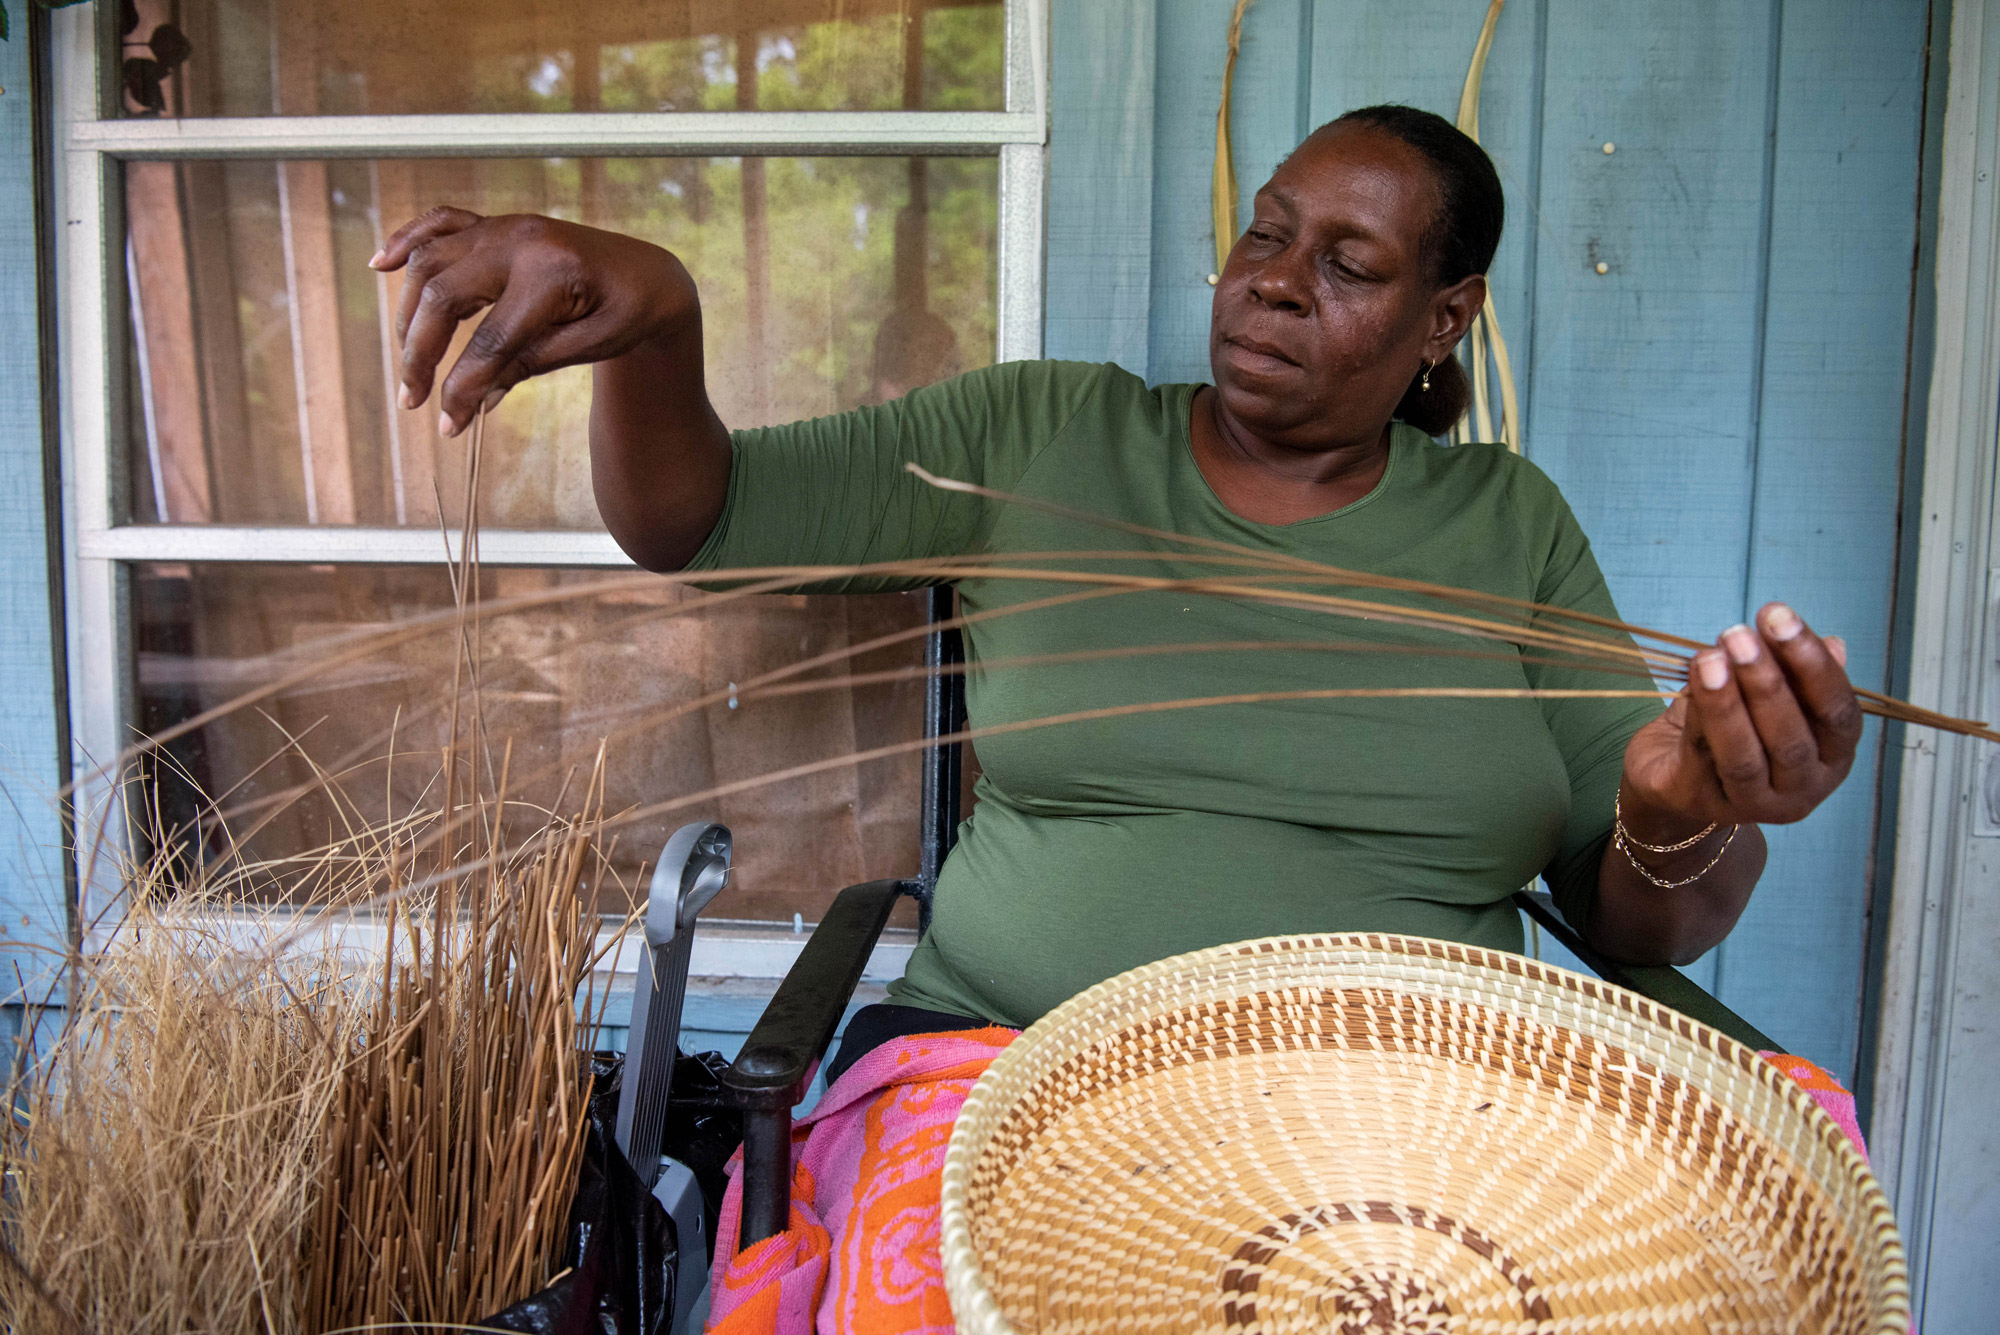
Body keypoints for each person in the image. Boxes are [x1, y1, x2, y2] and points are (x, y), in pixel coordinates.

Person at [375, 104, 1861, 1328]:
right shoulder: (1046, 439)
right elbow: (705, 518)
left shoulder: (1505, 523)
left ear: (1442, 318)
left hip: (1407, 1133)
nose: (1274, 279)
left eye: (1347, 262)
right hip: (1011, 1073)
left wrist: (1685, 812)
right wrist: (657, 330)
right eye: (1265, 232)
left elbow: (1647, 920)